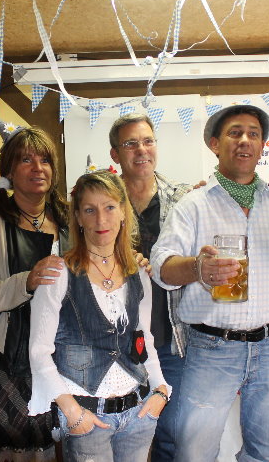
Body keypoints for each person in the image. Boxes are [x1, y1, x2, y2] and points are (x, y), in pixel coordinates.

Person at [151, 104, 269, 462]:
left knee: (265, 453)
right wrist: (198, 268)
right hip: (212, 348)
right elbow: (161, 266)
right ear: (215, 145)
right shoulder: (192, 205)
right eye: (235, 133)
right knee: (194, 453)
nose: (245, 140)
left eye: (253, 134)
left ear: (262, 146)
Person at [28, 170, 169, 462]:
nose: (101, 220)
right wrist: (72, 412)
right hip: (86, 418)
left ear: (123, 212)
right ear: (78, 217)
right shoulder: (58, 273)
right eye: (90, 210)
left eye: (109, 207)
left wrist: (160, 391)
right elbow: (39, 352)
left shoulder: (138, 272)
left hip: (139, 412)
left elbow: (144, 340)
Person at [0, 122, 69, 461]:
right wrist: (25, 282)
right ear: (8, 171)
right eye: (26, 160)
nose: (38, 168)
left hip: (65, 354)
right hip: (9, 358)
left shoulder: (70, 219)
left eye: (45, 160)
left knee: (68, 446)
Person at [108, 113, 190, 462]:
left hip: (173, 341)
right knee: (120, 437)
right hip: (115, 343)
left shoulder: (185, 198)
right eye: (130, 143)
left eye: (147, 141)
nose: (141, 150)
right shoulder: (101, 200)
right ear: (115, 154)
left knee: (172, 435)